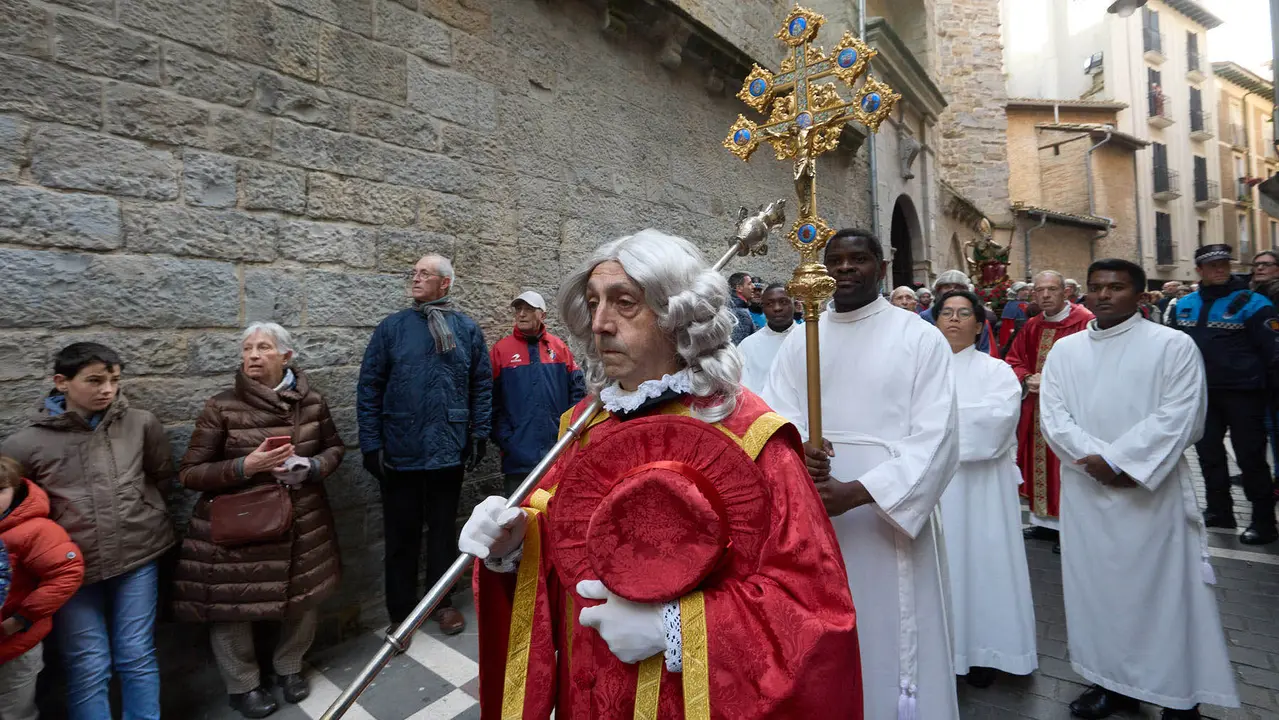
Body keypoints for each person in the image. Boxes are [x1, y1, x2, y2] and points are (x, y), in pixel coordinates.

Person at [462, 229, 864, 718]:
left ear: (677, 317)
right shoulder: (582, 429)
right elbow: (561, 548)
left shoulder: (750, 436)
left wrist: (677, 630)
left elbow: (815, 609)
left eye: (624, 303)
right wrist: (515, 544)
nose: (600, 324)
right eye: (593, 304)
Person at [764, 229, 961, 719]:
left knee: (891, 632)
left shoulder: (918, 337)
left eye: (859, 259)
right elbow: (774, 417)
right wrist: (797, 452)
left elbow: (938, 436)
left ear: (881, 265)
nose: (846, 268)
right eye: (836, 260)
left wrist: (857, 492)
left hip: (883, 516)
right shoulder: (801, 340)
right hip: (816, 515)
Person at [1040, 259, 1240, 719]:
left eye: (1117, 287)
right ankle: (1112, 683)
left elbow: (1182, 413)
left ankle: (1178, 694)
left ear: (1140, 294)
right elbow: (1054, 416)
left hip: (1150, 493)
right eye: (1096, 288)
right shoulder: (1067, 353)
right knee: (1098, 595)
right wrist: (1097, 461)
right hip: (1088, 492)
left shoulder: (1173, 346)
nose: (1105, 295)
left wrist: (1121, 461)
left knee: (1165, 595)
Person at [173, 323, 344, 718]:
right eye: (247, 348)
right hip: (241, 522)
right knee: (233, 606)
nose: (252, 355)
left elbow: (335, 447)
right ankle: (243, 684)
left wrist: (313, 465)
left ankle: (290, 668)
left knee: (304, 597)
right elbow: (190, 472)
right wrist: (244, 466)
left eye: (263, 348)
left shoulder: (312, 402)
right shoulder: (222, 406)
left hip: (302, 517)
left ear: (286, 356)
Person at [1, 342, 174, 720]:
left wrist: (145, 510)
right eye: (94, 381)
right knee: (88, 662)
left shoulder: (140, 423)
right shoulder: (26, 443)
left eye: (114, 380)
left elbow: (160, 475)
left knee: (136, 652)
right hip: (70, 568)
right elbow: (17, 503)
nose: (107, 390)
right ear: (61, 382)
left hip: (137, 553)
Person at [358, 254, 493, 635]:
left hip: (447, 450)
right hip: (400, 451)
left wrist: (479, 433)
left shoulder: (465, 329)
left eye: (424, 274)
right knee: (401, 536)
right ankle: (400, 614)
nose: (415, 279)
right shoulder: (393, 329)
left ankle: (442, 603)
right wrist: (371, 444)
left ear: (445, 283)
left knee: (442, 534)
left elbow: (481, 384)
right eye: (413, 274)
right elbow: (370, 386)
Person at [931, 291, 1037, 690]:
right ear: (936, 321)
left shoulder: (996, 372)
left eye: (963, 313)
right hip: (934, 490)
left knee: (981, 566)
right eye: (946, 313)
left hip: (980, 492)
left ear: (979, 325)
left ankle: (984, 651)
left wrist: (932, 428)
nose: (954, 319)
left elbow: (993, 427)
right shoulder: (921, 370)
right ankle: (941, 648)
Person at [1169, 244, 1279, 545]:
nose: (1219, 269)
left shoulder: (1254, 303)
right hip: (1202, 395)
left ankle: (1264, 521)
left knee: (1251, 459)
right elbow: (1172, 350)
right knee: (1209, 456)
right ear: (1199, 270)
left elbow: (1273, 352)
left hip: (1245, 395)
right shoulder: (1183, 305)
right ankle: (1220, 511)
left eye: (1223, 264)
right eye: (1212, 265)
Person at [1005, 271, 1094, 551]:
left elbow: (1095, 362)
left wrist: (1054, 381)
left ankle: (1070, 525)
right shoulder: (1032, 326)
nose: (1045, 295)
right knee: (1038, 463)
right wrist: (1027, 376)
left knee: (1066, 464)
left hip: (1072, 409)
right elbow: (1014, 358)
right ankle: (1045, 523)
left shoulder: (1085, 322)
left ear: (1065, 291)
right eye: (1039, 290)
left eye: (1051, 290)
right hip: (1036, 409)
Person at [0, 456, 85, 720]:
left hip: (13, 645)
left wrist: (20, 620)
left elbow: (66, 573)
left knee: (15, 712)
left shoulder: (35, 530)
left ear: (15, 489)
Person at [490, 291, 586, 496]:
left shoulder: (559, 349)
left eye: (529, 309)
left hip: (557, 452)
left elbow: (578, 392)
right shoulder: (501, 351)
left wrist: (567, 431)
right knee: (517, 518)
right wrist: (507, 439)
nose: (521, 314)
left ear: (542, 315)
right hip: (518, 457)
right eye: (518, 309)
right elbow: (491, 401)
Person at [739, 283, 799, 393]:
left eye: (783, 302)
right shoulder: (748, 346)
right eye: (769, 304)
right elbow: (744, 388)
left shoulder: (808, 338)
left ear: (794, 304)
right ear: (763, 308)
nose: (777, 308)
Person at [921, 270, 998, 356]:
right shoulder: (924, 317)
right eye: (947, 286)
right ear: (938, 290)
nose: (952, 290)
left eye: (958, 287)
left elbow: (984, 350)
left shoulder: (978, 318)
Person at [726, 272, 759, 343]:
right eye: (749, 284)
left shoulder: (732, 306)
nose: (753, 286)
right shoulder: (740, 313)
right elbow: (739, 343)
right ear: (739, 288)